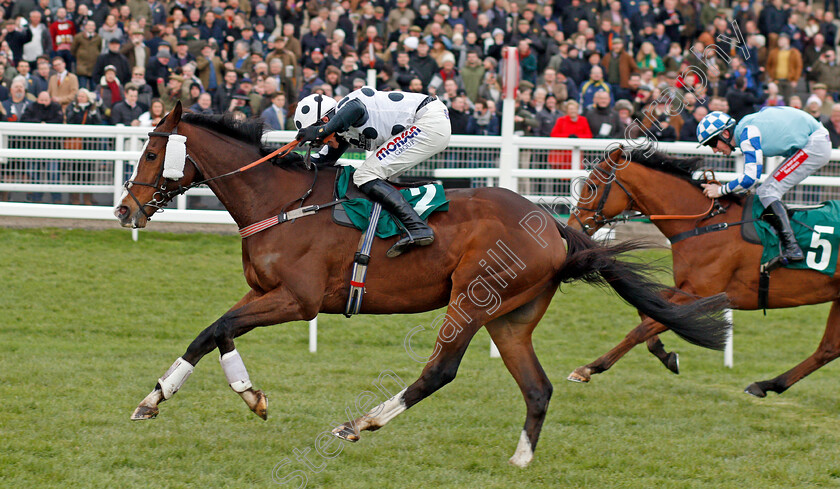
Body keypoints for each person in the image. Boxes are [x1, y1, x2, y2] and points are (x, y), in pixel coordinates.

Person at [293, 89, 451, 257]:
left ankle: (417, 228)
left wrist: (320, 132)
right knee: (370, 174)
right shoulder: (342, 130)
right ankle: (402, 225)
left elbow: (356, 109)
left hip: (428, 121)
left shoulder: (348, 106)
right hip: (429, 122)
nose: (325, 143)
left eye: (323, 140)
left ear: (325, 120)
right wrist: (287, 159)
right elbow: (322, 161)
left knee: (365, 175)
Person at [697, 108, 832, 262]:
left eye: (712, 143)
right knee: (766, 191)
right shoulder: (746, 127)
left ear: (725, 134)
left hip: (815, 144)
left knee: (768, 191)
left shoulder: (747, 134)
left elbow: (750, 179)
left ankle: (792, 247)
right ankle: (785, 239)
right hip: (814, 139)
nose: (714, 150)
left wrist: (721, 190)